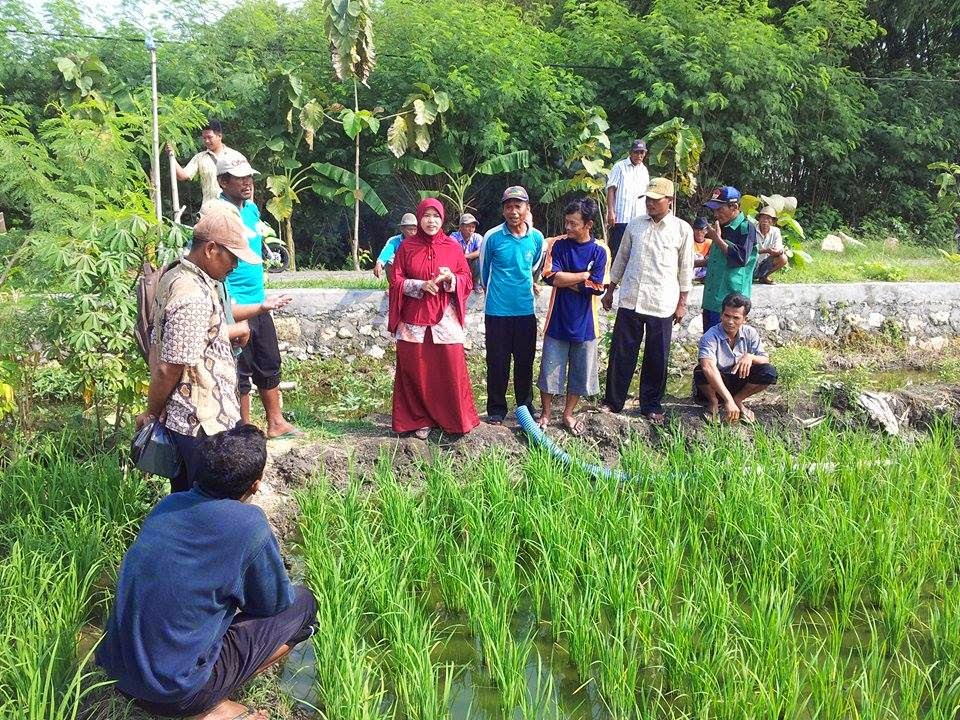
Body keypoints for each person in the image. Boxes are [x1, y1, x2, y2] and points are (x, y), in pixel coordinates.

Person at [97, 424, 317, 720]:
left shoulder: (168, 505)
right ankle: (211, 705)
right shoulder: (249, 524)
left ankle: (200, 694)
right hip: (177, 694)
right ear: (255, 484)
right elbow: (273, 605)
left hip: (119, 677)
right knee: (304, 604)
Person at [137, 211, 280, 493]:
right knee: (205, 502)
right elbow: (170, 367)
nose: (236, 266)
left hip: (195, 421)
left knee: (191, 500)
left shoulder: (177, 275)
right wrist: (151, 413)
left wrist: (223, 338)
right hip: (200, 425)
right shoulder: (191, 294)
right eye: (233, 257)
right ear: (211, 249)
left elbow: (185, 339)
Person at [217, 151, 300, 439]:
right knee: (239, 366)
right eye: (239, 179)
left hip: (260, 299)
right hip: (234, 301)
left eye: (249, 177)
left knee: (268, 359)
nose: (247, 183)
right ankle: (244, 427)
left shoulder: (251, 209)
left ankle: (275, 422)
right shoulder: (216, 213)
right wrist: (227, 302)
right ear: (223, 181)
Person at [601, 177, 694, 422]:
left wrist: (682, 302)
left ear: (670, 202)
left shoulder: (682, 230)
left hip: (661, 302)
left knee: (657, 356)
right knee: (622, 352)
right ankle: (613, 402)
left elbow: (686, 269)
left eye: (655, 200)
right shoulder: (635, 225)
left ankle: (651, 405)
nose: (650, 204)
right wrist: (611, 289)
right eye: (648, 200)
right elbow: (621, 258)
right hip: (631, 298)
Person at [388, 199, 480, 438]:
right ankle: (419, 420)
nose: (431, 221)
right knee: (414, 368)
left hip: (444, 318)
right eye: (426, 216)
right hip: (413, 319)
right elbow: (396, 280)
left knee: (450, 366)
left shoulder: (452, 247)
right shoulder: (406, 248)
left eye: (436, 216)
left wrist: (451, 279)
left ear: (442, 219)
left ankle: (452, 419)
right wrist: (419, 285)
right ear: (419, 219)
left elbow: (466, 279)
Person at [537, 198, 608, 435]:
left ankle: (568, 413)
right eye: (566, 223)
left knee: (579, 372)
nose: (568, 228)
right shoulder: (558, 245)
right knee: (549, 369)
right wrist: (583, 275)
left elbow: (597, 287)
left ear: (588, 224)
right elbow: (550, 277)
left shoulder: (600, 250)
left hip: (586, 323)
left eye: (573, 224)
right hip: (557, 319)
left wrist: (568, 278)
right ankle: (546, 413)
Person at [479, 186, 545, 424]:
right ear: (503, 210)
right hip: (497, 312)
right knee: (497, 362)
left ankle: (524, 407)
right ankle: (496, 410)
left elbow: (535, 266)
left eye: (518, 206)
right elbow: (484, 273)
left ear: (527, 208)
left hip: (526, 311)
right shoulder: (492, 237)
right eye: (508, 206)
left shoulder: (536, 238)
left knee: (525, 361)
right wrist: (497, 296)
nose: (513, 211)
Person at [695, 292, 778, 423]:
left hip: (739, 379)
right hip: (717, 382)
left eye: (736, 318)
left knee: (768, 372)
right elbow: (708, 367)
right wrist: (727, 400)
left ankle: (738, 400)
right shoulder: (710, 336)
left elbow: (765, 359)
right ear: (721, 315)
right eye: (726, 316)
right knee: (701, 371)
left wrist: (750, 357)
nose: (730, 321)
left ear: (745, 319)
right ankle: (714, 402)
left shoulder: (750, 333)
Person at [701, 186, 758, 332]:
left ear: (734, 207)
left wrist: (717, 239)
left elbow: (740, 258)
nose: (716, 214)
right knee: (709, 342)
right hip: (711, 299)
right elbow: (717, 259)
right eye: (714, 210)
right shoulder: (720, 226)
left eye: (720, 209)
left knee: (726, 345)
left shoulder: (746, 228)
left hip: (731, 305)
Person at [166, 119, 235, 203]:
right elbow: (183, 176)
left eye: (209, 137)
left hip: (232, 210)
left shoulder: (234, 156)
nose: (206, 141)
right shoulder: (199, 158)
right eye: (204, 138)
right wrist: (171, 156)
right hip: (209, 210)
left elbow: (247, 182)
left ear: (219, 136)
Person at [605, 139, 650, 260]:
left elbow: (646, 194)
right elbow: (611, 189)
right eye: (636, 152)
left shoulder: (644, 171)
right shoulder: (619, 167)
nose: (639, 155)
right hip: (621, 217)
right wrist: (610, 212)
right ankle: (613, 277)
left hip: (639, 217)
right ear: (630, 152)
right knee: (617, 249)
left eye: (642, 153)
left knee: (636, 249)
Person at [374, 213, 417, 279]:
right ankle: (393, 286)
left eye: (415, 230)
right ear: (402, 229)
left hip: (415, 271)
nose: (413, 232)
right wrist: (379, 263)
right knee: (389, 262)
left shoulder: (420, 241)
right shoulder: (394, 241)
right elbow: (387, 251)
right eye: (410, 229)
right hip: (400, 270)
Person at [753, 205, 787, 284]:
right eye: (763, 218)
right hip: (752, 263)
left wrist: (779, 252)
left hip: (765, 262)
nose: (765, 221)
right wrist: (766, 250)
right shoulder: (752, 229)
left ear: (773, 222)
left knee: (783, 258)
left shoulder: (776, 231)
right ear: (759, 219)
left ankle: (764, 276)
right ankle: (749, 277)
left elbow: (779, 248)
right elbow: (748, 250)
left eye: (768, 218)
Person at [451, 212, 483, 288]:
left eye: (473, 227)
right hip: (457, 264)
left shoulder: (477, 237)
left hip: (470, 263)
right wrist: (463, 258)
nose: (471, 229)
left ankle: (476, 284)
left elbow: (481, 251)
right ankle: (457, 284)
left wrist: (466, 256)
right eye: (468, 226)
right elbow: (453, 254)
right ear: (461, 227)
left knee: (479, 259)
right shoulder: (453, 237)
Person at [692, 216, 712, 281]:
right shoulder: (689, 242)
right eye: (696, 229)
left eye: (701, 229)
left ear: (706, 231)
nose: (699, 232)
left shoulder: (710, 243)